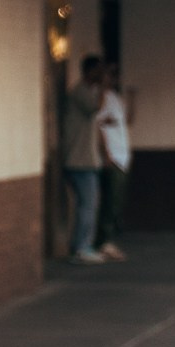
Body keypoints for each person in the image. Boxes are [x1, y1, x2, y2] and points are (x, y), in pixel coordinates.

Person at [61, 56, 106, 264]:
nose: (102, 75)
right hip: (79, 160)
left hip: (86, 159)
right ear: (89, 71)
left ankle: (81, 245)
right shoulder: (80, 92)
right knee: (88, 204)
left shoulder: (86, 91)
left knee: (88, 203)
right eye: (98, 71)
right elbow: (95, 107)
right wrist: (104, 88)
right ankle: (81, 247)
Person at [96, 65, 132, 261]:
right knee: (110, 200)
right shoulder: (101, 98)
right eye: (109, 75)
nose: (113, 79)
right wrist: (106, 153)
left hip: (123, 155)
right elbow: (98, 124)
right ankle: (103, 240)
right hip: (113, 156)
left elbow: (127, 120)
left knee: (116, 199)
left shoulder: (115, 98)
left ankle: (107, 239)